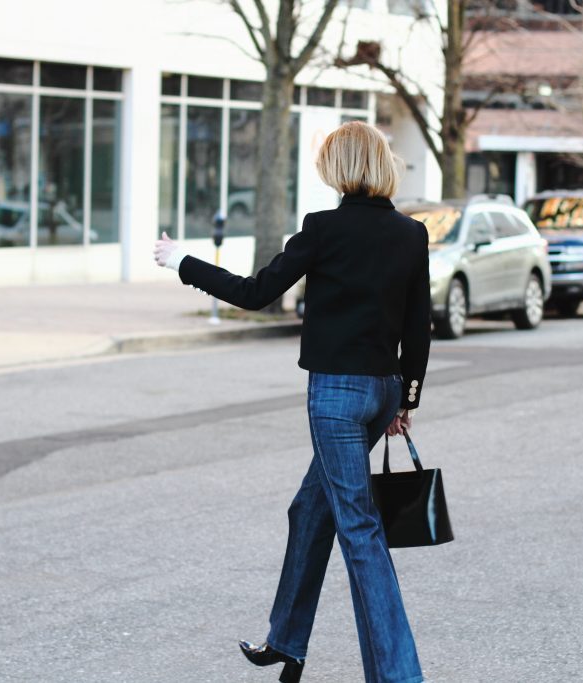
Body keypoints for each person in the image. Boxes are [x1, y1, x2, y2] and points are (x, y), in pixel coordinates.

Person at [153, 121, 431, 683]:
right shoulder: (410, 234)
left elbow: (256, 294)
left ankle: (401, 677)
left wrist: (184, 262)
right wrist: (406, 399)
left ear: (339, 168)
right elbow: (418, 327)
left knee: (360, 532)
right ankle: (287, 641)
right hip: (380, 392)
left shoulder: (322, 229)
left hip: (335, 396)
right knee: (309, 510)